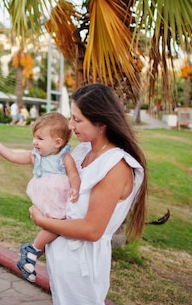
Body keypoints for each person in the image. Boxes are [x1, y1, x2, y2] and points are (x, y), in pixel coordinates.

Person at [29, 83, 148, 305]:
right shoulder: (83, 150)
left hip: (82, 268)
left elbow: (92, 229)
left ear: (100, 123)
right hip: (62, 262)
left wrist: (41, 220)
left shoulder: (115, 165)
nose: (70, 126)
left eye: (77, 119)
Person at [0, 112, 80, 283]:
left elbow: (74, 175)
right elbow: (12, 156)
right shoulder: (35, 156)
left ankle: (31, 255)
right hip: (46, 199)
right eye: (34, 137)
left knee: (58, 226)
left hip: (60, 198)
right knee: (58, 225)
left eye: (40, 139)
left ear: (58, 142)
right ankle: (32, 251)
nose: (35, 142)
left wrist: (75, 188)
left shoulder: (65, 157)